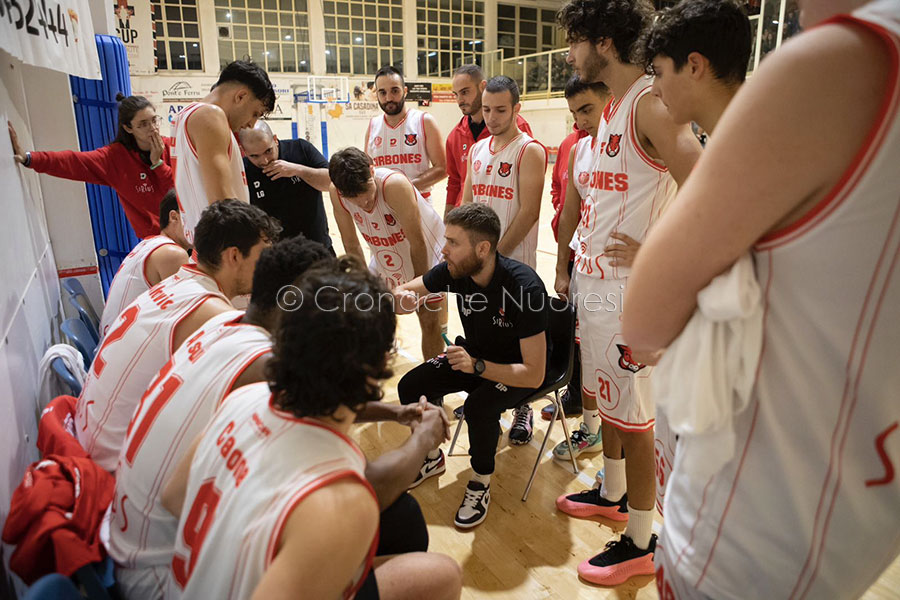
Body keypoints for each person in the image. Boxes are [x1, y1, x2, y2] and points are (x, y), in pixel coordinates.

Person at [622, 0, 900, 597]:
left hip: (755, 521)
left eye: (661, 71)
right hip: (855, 510)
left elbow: (644, 321)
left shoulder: (833, 67)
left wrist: (657, 264)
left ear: (693, 67)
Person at [161, 260, 463, 600]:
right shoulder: (341, 499)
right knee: (442, 573)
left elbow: (172, 497)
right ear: (380, 365)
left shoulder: (243, 398)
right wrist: (422, 438)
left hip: (181, 584)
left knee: (404, 524)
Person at [553, 0, 702, 585]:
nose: (568, 55)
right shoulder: (614, 106)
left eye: (574, 43)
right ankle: (614, 493)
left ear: (604, 43)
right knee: (611, 404)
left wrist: (657, 254)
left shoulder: (650, 102)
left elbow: (707, 183)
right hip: (595, 285)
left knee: (637, 419)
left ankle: (642, 537)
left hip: (629, 292)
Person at [75, 200, 280, 471]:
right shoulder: (211, 313)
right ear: (233, 256)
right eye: (263, 256)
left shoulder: (176, 283)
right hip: (110, 466)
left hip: (88, 435)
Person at [394, 204, 550, 528]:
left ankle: (480, 481)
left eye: (453, 242)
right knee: (409, 386)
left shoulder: (524, 287)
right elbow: (410, 289)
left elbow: (535, 373)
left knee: (478, 407)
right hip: (473, 358)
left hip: (514, 371)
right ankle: (431, 456)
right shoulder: (457, 270)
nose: (444, 249)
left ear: (482, 248)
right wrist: (403, 298)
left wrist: (477, 367)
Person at [328, 147, 446, 360]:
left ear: (372, 171)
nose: (363, 202)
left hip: (426, 249)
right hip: (385, 253)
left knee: (428, 318)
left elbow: (417, 241)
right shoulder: (336, 194)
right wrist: (364, 288)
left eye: (365, 190)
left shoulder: (394, 185)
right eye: (353, 197)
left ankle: (434, 387)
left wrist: (422, 286)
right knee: (368, 315)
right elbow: (351, 244)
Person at [540, 76, 610, 422]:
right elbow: (569, 210)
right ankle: (590, 422)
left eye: (586, 109)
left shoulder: (632, 147)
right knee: (584, 344)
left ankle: (613, 432)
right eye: (573, 113)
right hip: (582, 262)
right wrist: (560, 269)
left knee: (615, 357)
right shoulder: (578, 148)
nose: (580, 121)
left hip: (618, 272)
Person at [9, 94, 172, 239]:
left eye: (154, 120)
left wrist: (158, 164)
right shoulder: (114, 158)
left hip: (185, 236)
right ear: (128, 128)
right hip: (155, 242)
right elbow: (72, 161)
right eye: (143, 124)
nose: (153, 128)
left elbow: (177, 193)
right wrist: (29, 158)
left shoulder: (172, 148)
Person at [171, 60, 275, 244]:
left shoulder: (184, 115)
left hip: (207, 245)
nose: (252, 124)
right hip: (225, 247)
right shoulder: (210, 116)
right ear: (241, 96)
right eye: (255, 113)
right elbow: (223, 203)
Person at [461, 76, 547, 269]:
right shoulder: (476, 149)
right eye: (486, 109)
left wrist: (495, 257)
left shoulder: (529, 150)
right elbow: (467, 203)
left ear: (516, 109)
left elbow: (529, 213)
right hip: (478, 261)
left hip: (512, 264)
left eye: (500, 110)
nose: (491, 118)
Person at [444, 64, 534, 218]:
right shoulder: (454, 136)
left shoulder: (519, 127)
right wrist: (448, 219)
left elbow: (528, 192)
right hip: (468, 222)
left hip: (502, 220)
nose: (460, 100)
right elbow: (454, 183)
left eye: (465, 92)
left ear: (482, 86)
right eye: (456, 94)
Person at [98, 190, 191, 338]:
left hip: (112, 341)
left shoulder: (149, 243)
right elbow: (186, 318)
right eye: (197, 217)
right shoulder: (172, 254)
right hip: (123, 346)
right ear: (174, 217)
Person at [239, 121, 334, 251]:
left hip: (317, 248)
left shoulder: (300, 148)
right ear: (244, 151)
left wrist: (297, 170)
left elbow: (331, 182)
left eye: (268, 151)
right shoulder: (243, 169)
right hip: (274, 256)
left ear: (275, 140)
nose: (264, 160)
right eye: (254, 156)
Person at [364, 65, 447, 200]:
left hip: (419, 202)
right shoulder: (372, 125)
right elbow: (367, 169)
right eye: (382, 92)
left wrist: (405, 188)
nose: (389, 98)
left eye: (395, 91)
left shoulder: (424, 121)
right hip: (384, 206)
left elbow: (443, 168)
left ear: (405, 91)